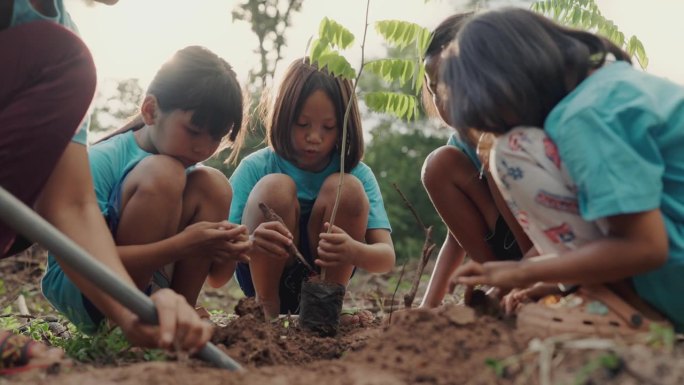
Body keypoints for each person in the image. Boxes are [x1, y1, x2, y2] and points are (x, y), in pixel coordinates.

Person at [0, 0, 213, 374]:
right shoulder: (60, 58)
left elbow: (71, 206)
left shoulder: (63, 42)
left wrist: (131, 311)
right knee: (62, 57)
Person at [443, 7, 684, 333]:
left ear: (508, 83)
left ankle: (628, 308)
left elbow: (645, 246)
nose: (504, 125)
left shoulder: (586, 116)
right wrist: (553, 279)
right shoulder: (611, 86)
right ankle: (603, 290)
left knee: (512, 150)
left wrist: (522, 273)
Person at [42, 45, 251, 334]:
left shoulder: (192, 175)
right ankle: (124, 324)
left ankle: (177, 317)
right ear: (151, 110)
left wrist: (233, 247)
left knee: (215, 184)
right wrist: (183, 245)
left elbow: (218, 278)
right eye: (193, 130)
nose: (203, 148)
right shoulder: (103, 160)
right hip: (86, 285)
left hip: (146, 282)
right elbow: (82, 261)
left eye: (216, 137)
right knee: (164, 173)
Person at [229, 58, 396, 320]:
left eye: (328, 127)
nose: (314, 137)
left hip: (324, 288)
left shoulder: (358, 175)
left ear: (344, 127)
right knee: (275, 187)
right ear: (283, 117)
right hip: (262, 282)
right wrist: (250, 243)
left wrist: (353, 249)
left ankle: (324, 312)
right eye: (302, 124)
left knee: (347, 189)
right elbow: (219, 249)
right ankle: (266, 312)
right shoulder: (256, 167)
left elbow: (386, 257)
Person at [419, 13, 532, 308]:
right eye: (434, 89)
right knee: (438, 165)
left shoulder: (518, 126)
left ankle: (525, 280)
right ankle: (502, 282)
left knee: (491, 150)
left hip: (545, 236)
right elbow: (457, 237)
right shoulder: (459, 146)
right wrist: (427, 307)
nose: (444, 100)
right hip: (504, 247)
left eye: (451, 86)